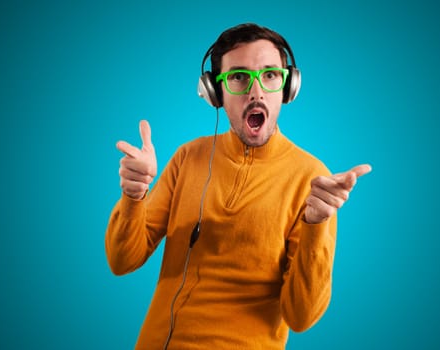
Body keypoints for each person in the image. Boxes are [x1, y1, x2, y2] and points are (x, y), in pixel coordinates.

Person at [105, 23, 371, 350]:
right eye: (239, 77)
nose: (256, 91)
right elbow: (122, 261)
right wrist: (133, 196)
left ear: (289, 87)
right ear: (214, 93)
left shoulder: (313, 179)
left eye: (270, 75)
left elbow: (301, 317)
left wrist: (316, 223)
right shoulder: (189, 156)